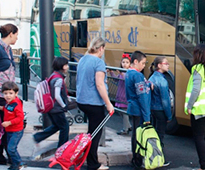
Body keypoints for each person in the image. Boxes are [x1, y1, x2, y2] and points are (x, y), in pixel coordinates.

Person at [76, 37, 114, 170]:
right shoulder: (98, 62)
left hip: (82, 100)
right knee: (95, 134)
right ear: (101, 48)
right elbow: (99, 84)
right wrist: (108, 103)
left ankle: (82, 156)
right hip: (94, 102)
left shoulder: (83, 59)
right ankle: (93, 164)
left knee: (90, 132)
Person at [0, 23, 18, 165]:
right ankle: (3, 155)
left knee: (5, 125)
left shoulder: (7, 50)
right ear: (11, 34)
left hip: (7, 96)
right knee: (4, 126)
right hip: (0, 95)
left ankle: (0, 155)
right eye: (16, 34)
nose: (17, 38)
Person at [33, 57, 70, 148]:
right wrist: (64, 105)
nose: (68, 67)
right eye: (66, 65)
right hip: (56, 108)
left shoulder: (53, 75)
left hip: (51, 107)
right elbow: (57, 95)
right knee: (65, 127)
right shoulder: (59, 79)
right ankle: (62, 148)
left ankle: (37, 137)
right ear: (63, 66)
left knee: (57, 126)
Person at [125, 50, 151, 164]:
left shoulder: (128, 73)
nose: (144, 66)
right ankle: (138, 159)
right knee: (139, 136)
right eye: (143, 63)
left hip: (132, 107)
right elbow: (142, 97)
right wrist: (147, 116)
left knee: (135, 134)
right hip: (138, 109)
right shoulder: (137, 75)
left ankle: (135, 158)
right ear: (136, 61)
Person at [148, 56, 172, 167]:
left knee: (154, 134)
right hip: (160, 111)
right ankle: (160, 158)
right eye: (166, 63)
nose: (168, 65)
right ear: (159, 65)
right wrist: (169, 116)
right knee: (160, 135)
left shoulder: (152, 78)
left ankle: (152, 156)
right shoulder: (162, 80)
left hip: (153, 110)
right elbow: (165, 101)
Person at [0, 81, 24, 170]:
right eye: (5, 93)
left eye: (10, 93)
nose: (8, 96)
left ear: (16, 93)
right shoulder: (8, 103)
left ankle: (18, 163)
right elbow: (8, 109)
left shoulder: (16, 103)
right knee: (10, 148)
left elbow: (20, 117)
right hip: (10, 130)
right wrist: (1, 108)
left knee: (11, 148)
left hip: (16, 130)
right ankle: (16, 163)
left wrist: (9, 123)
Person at [111, 53, 132, 135]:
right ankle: (128, 126)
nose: (125, 64)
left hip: (125, 95)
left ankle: (125, 128)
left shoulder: (129, 72)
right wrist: (112, 73)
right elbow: (116, 79)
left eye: (127, 62)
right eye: (123, 62)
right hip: (120, 94)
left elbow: (125, 79)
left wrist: (121, 73)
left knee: (124, 112)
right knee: (121, 112)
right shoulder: (122, 72)